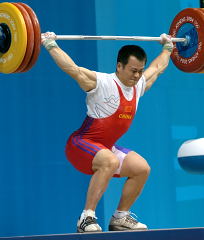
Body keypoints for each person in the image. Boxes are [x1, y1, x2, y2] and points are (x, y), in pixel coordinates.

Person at [41, 32, 173, 233]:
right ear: (119, 66)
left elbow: (158, 68)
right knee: (109, 160)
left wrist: (168, 48)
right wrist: (50, 44)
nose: (136, 76)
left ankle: (120, 217)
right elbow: (72, 69)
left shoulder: (138, 87)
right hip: (80, 145)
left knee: (141, 168)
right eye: (132, 70)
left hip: (104, 148)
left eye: (139, 71)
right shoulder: (102, 83)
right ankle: (86, 218)